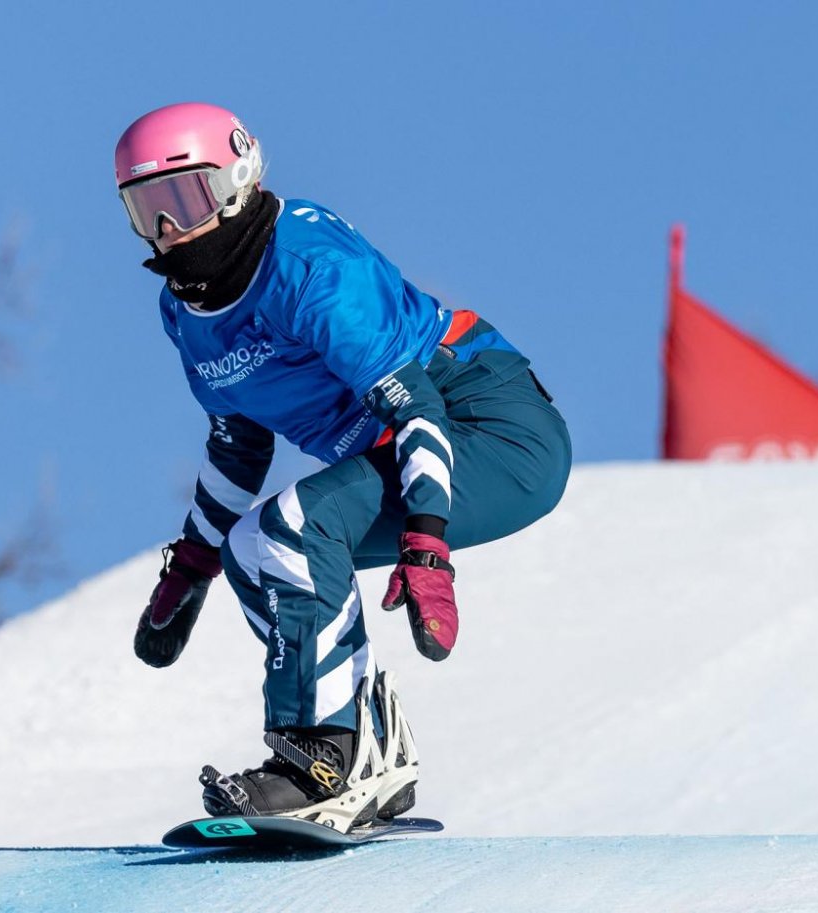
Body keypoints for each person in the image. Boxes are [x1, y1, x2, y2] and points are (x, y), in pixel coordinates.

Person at [117, 102, 571, 831]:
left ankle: (320, 761)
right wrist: (194, 561)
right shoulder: (186, 313)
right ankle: (363, 755)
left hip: (486, 425)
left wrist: (426, 543)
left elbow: (414, 408)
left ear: (236, 181)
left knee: (291, 530)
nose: (171, 232)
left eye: (185, 200)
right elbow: (239, 442)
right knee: (253, 554)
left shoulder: (308, 267)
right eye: (147, 211)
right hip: (404, 442)